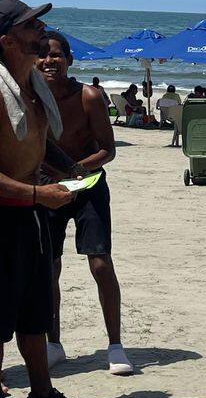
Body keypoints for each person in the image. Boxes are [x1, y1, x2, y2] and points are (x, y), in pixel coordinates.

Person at [0, 0, 93, 398]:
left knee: (34, 311)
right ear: (7, 41)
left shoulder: (31, 87)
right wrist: (38, 193)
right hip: (6, 215)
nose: (41, 29)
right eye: (30, 25)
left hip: (29, 214)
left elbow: (37, 140)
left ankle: (41, 395)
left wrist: (69, 168)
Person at [37, 32, 134, 376]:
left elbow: (108, 149)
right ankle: (53, 343)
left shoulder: (88, 96)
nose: (49, 61)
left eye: (56, 55)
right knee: (49, 267)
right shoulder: (32, 97)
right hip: (46, 187)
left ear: (69, 59)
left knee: (100, 263)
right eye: (42, 55)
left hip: (88, 185)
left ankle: (115, 344)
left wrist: (76, 170)